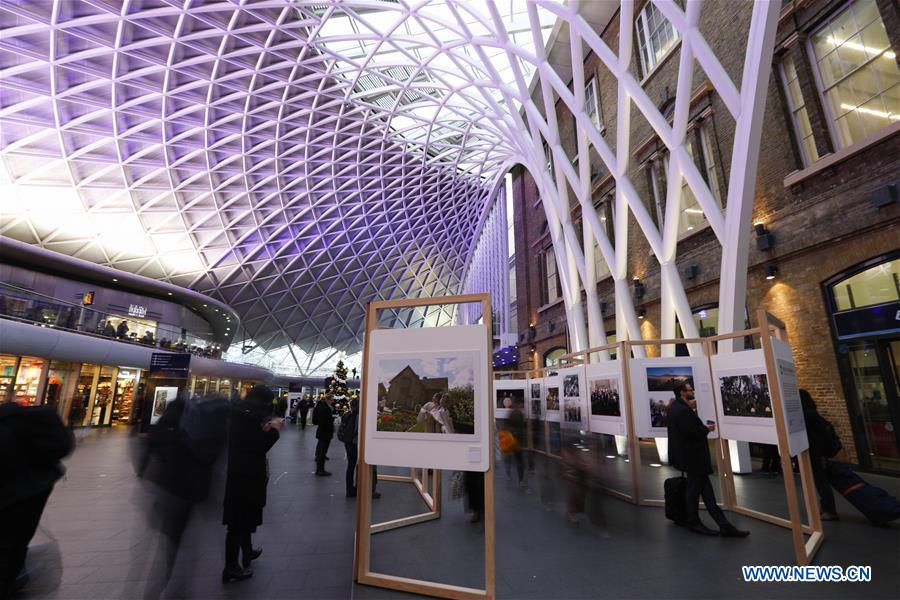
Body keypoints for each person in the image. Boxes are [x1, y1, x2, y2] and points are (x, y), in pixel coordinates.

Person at [0, 403, 74, 597]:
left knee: (9, 546)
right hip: (33, 492)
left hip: (18, 494)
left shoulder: (10, 428)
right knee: (14, 545)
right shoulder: (26, 424)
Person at [667, 382, 749, 537]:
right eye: (690, 389)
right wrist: (706, 429)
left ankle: (723, 525)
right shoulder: (682, 411)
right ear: (682, 392)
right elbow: (690, 433)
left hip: (691, 459)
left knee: (706, 493)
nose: (693, 391)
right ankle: (696, 522)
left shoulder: (677, 408)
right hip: (693, 459)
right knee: (695, 492)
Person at [222, 385, 281, 583]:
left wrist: (263, 430)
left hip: (242, 476)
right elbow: (258, 446)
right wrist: (272, 432)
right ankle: (231, 566)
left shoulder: (241, 414)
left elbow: (250, 442)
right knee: (238, 523)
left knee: (244, 519)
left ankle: (247, 551)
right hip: (245, 478)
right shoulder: (246, 418)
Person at [800, 389, 839, 521]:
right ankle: (826, 507)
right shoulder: (812, 413)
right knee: (821, 481)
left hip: (815, 452)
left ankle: (829, 510)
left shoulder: (807, 415)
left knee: (821, 482)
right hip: (817, 451)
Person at [342, 398, 380, 499]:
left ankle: (350, 490)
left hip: (349, 443)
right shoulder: (360, 416)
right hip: (356, 444)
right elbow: (358, 431)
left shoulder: (350, 414)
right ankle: (365, 490)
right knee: (362, 466)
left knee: (350, 467)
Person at [504, 398, 526, 485]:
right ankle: (520, 480)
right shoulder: (519, 414)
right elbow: (522, 425)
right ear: (519, 404)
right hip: (517, 440)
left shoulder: (511, 413)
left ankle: (508, 475)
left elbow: (506, 425)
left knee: (508, 458)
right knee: (520, 461)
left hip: (510, 439)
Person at [312, 394, 334, 476]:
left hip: (322, 432)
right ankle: (320, 470)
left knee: (321, 449)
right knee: (322, 451)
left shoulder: (322, 407)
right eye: (332, 400)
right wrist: (331, 419)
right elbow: (325, 421)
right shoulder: (325, 408)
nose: (333, 401)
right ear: (327, 400)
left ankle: (320, 469)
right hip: (325, 433)